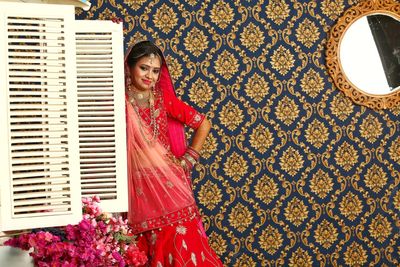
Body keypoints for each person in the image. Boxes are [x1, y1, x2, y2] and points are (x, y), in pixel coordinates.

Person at [125, 40, 223, 266]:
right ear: (129, 67)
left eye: (155, 70)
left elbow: (203, 123)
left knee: (180, 246)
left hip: (170, 186)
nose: (150, 75)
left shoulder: (162, 99)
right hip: (136, 189)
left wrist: (188, 159)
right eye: (143, 67)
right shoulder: (116, 101)